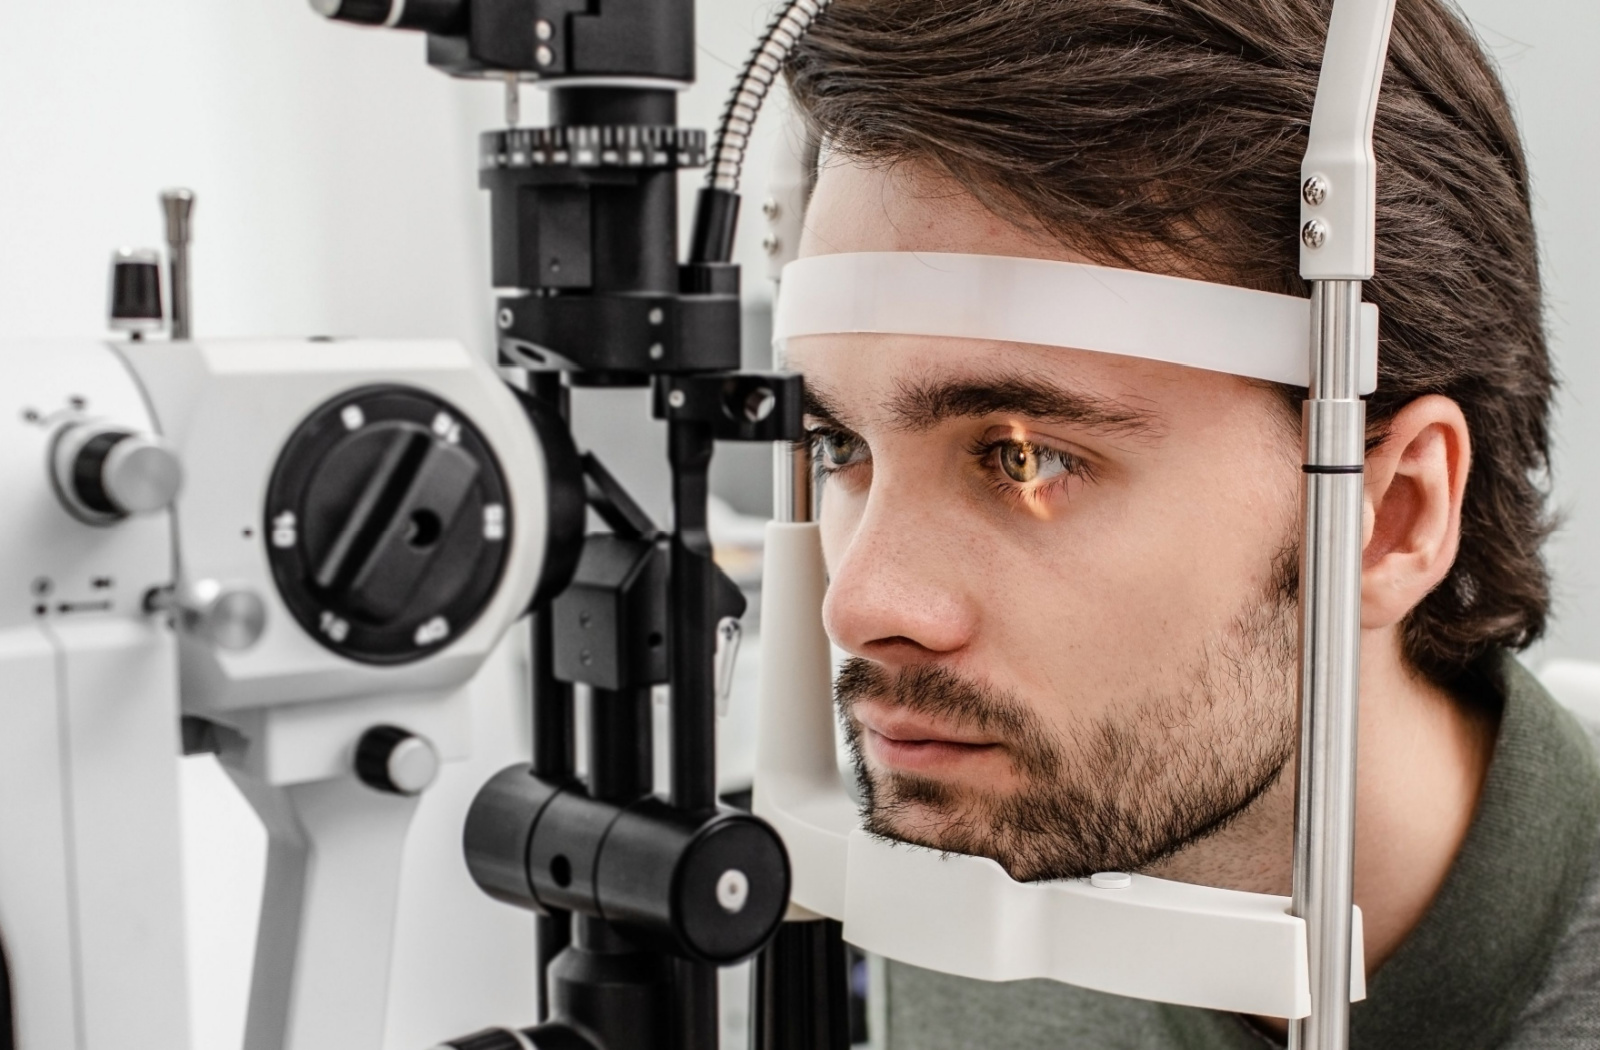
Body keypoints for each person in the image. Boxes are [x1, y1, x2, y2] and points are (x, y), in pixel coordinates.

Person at [778, 1, 1600, 1046]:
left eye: (1023, 459)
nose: (859, 604)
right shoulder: (972, 879)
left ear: (1390, 514)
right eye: (839, 447)